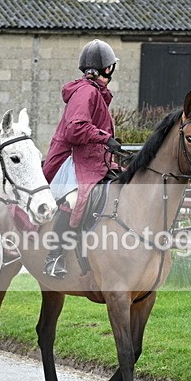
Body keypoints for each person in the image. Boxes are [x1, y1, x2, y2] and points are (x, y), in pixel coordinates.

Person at [41, 39, 122, 279]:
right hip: (70, 162)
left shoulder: (95, 92)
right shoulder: (86, 92)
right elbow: (75, 129)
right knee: (77, 199)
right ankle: (54, 256)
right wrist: (105, 138)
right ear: (107, 69)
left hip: (91, 160)